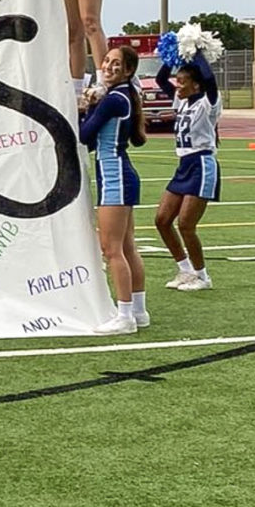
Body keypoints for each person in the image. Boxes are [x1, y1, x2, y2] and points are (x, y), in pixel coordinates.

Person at [80, 45, 147, 335]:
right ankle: (139, 310)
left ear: (128, 71)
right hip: (120, 173)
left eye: (115, 63)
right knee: (127, 246)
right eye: (106, 61)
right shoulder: (121, 96)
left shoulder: (115, 99)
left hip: (115, 176)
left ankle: (125, 316)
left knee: (112, 249)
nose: (108, 66)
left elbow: (84, 134)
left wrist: (86, 106)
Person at [154, 52, 222, 292]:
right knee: (162, 220)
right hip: (183, 165)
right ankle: (185, 269)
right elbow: (162, 78)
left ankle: (203, 276)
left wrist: (197, 50)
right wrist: (175, 54)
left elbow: (210, 79)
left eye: (182, 81)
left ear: (196, 84)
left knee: (186, 224)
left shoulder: (208, 101)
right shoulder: (181, 100)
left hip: (201, 164)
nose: (177, 84)